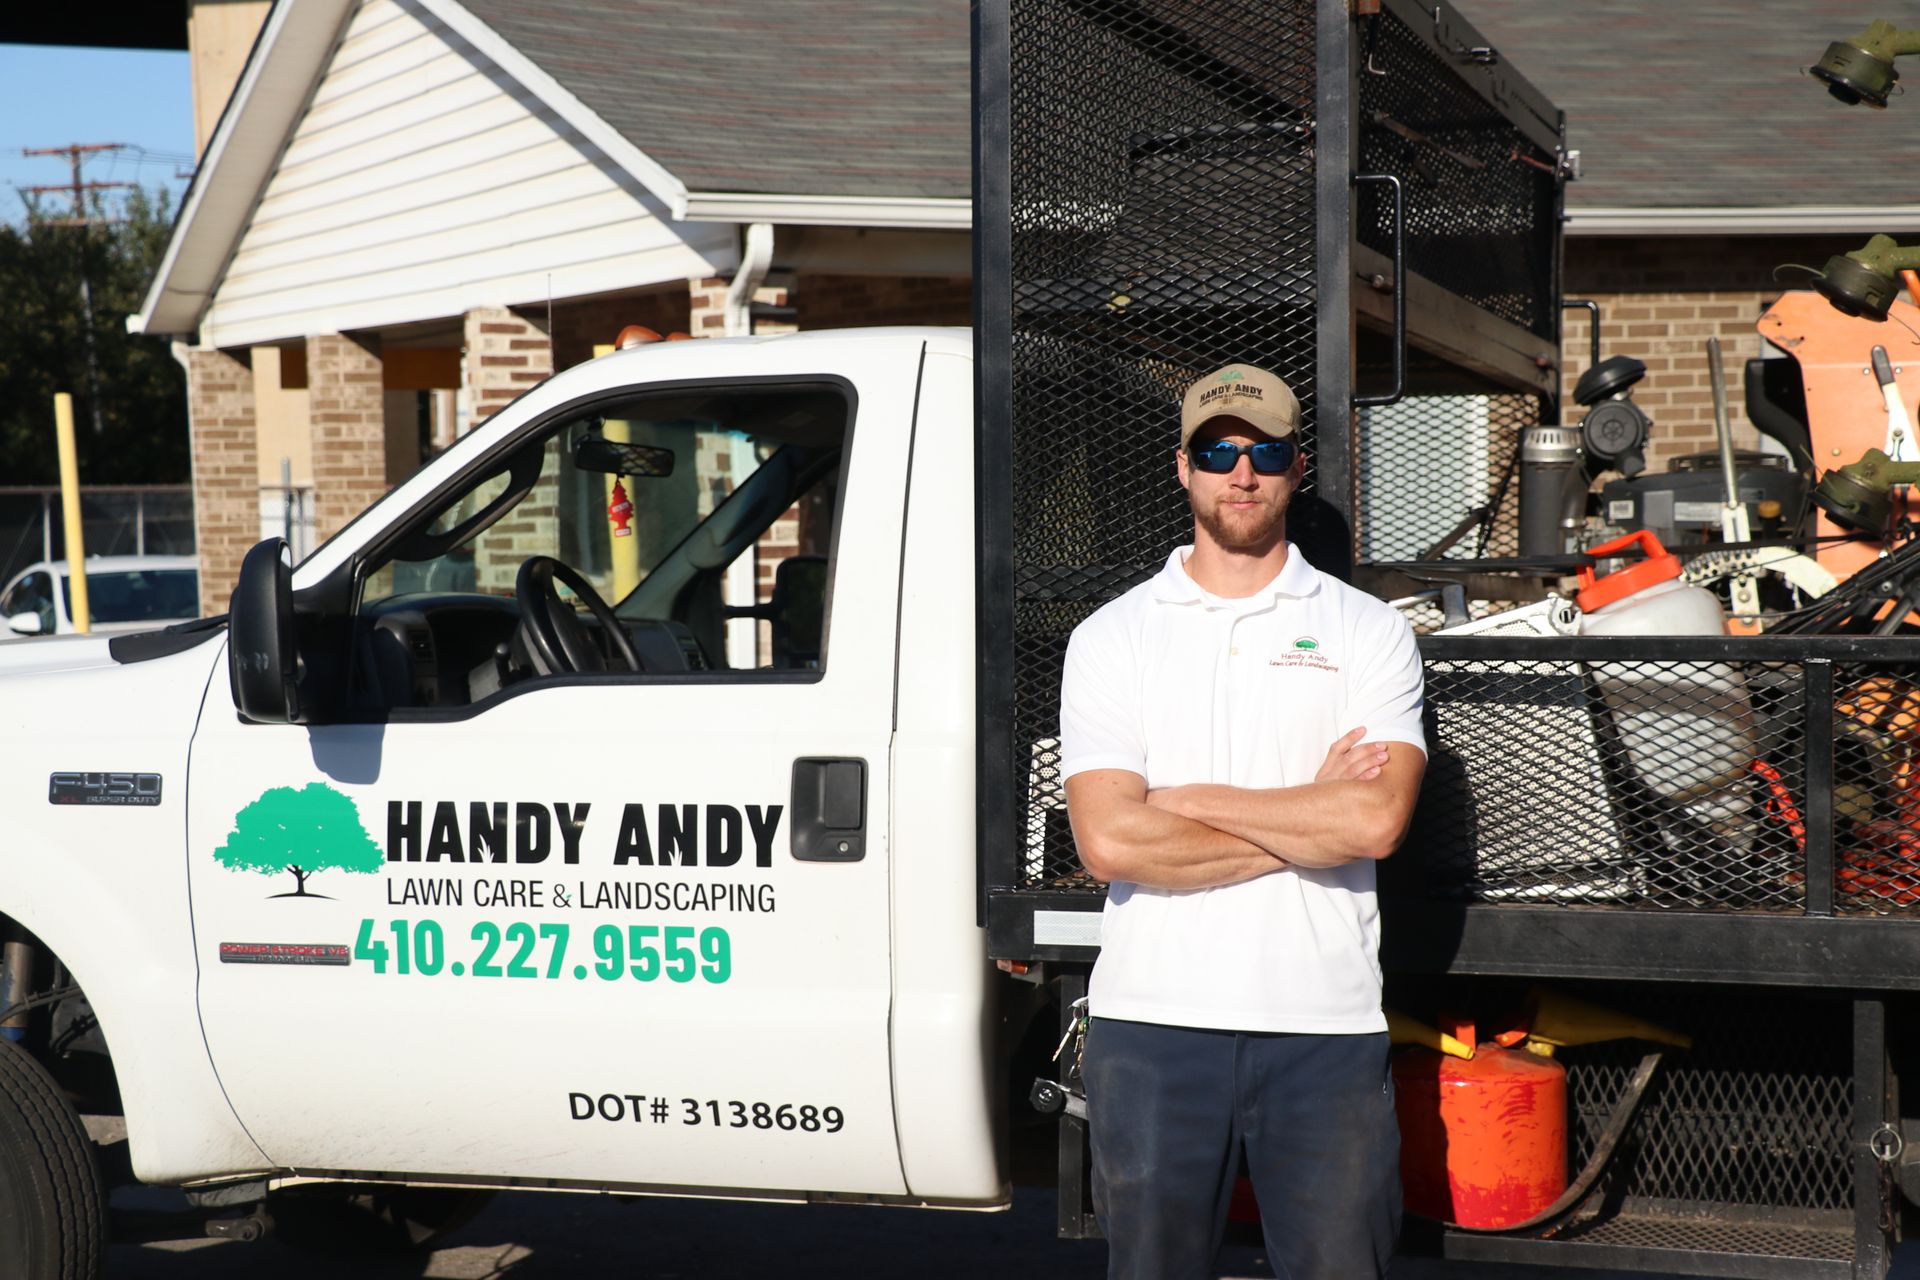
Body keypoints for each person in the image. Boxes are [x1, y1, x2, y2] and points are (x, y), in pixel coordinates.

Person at [1059, 362, 1427, 1280]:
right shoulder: (1112, 636)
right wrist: (1308, 810)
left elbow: (1377, 822)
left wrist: (1183, 800)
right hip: (1150, 1030)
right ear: (1182, 466)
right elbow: (1109, 840)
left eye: (1264, 451)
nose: (1242, 471)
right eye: (1218, 450)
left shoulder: (1366, 630)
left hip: (1324, 1030)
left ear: (1295, 468)